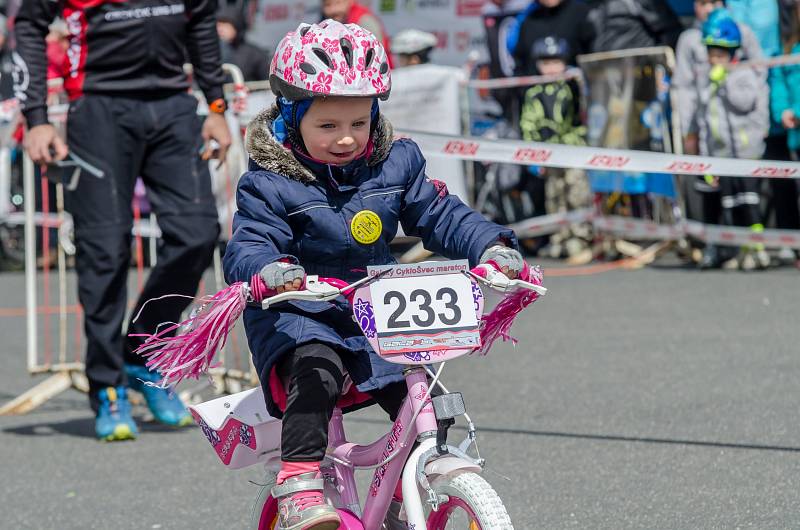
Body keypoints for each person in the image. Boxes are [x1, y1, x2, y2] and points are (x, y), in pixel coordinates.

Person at [223, 20, 525, 530]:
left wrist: (491, 246)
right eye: (327, 126)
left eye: (359, 123)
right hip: (299, 306)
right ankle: (299, 483)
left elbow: (440, 214)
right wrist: (270, 272)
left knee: (422, 395)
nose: (346, 138)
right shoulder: (268, 183)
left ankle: (407, 490)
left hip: (375, 305)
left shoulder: (394, 163)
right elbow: (249, 241)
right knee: (314, 372)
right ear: (292, 120)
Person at [15, 0, 232, 440]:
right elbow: (28, 25)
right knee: (105, 250)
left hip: (172, 106)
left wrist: (216, 106)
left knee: (197, 234)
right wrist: (36, 118)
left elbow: (203, 24)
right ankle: (107, 386)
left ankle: (142, 351)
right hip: (98, 108)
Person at [694, 11, 770, 270]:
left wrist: (725, 81)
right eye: (712, 55)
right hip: (721, 154)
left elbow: (744, 103)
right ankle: (740, 250)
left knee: (749, 201)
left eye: (721, 55)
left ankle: (757, 248)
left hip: (746, 152)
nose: (716, 61)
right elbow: (705, 123)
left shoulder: (743, 74)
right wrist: (706, 162)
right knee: (731, 204)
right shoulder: (706, 82)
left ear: (733, 54)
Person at [519, 36, 591, 259]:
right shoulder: (533, 93)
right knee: (555, 196)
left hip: (573, 151)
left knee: (576, 193)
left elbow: (584, 108)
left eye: (556, 62)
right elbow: (528, 124)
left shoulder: (572, 86)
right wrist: (533, 157)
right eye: (546, 63)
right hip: (548, 155)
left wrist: (580, 81)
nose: (551, 68)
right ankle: (560, 238)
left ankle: (581, 237)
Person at [769, 0, 800, 267]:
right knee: (791, 188)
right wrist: (784, 111)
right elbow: (778, 80)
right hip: (795, 131)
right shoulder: (788, 46)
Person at [511, 0, 595, 76]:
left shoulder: (582, 13)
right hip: (536, 90)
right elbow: (520, 65)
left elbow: (594, 58)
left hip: (576, 89)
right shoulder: (528, 21)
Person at [587, 0, 684, 52]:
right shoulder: (594, 5)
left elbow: (670, 30)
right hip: (605, 73)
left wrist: (659, 62)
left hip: (639, 71)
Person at [321, 0, 393, 65]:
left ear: (350, 1)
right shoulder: (326, 24)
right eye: (328, 5)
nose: (334, 10)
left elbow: (377, 56)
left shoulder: (364, 21)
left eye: (338, 3)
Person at [217, 5, 269, 81]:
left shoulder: (255, 55)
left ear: (237, 25)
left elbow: (266, 85)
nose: (220, 29)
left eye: (225, 24)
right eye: (218, 25)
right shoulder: (210, 54)